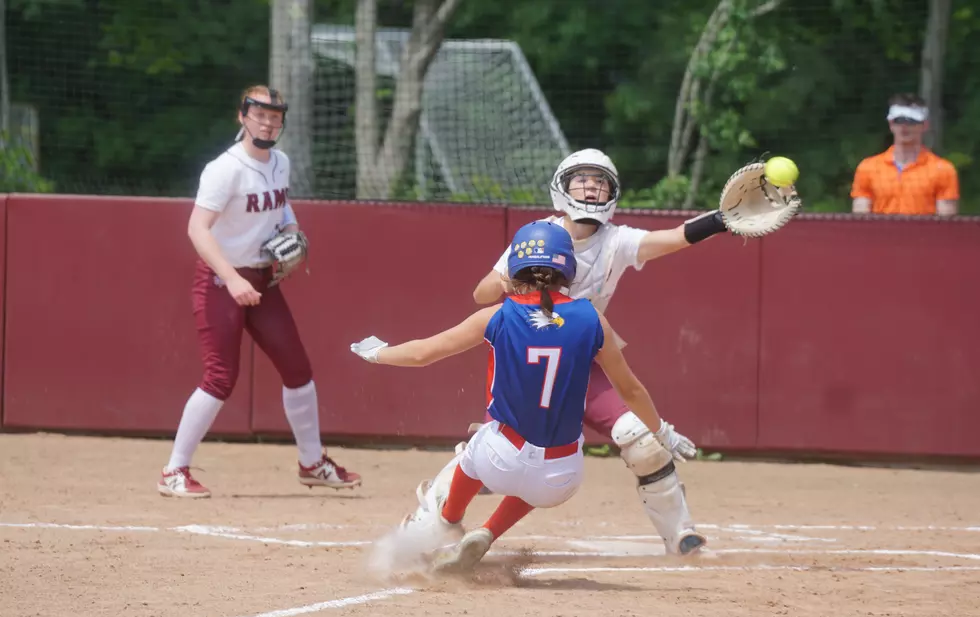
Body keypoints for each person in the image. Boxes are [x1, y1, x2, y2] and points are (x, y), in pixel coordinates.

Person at [401, 148, 733, 557]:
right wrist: (514, 271)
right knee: (494, 450)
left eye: (601, 181)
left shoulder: (616, 241)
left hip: (577, 361)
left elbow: (673, 238)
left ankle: (681, 535)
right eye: (583, 179)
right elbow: (480, 295)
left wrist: (720, 220)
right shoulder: (538, 234)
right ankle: (427, 525)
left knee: (640, 441)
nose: (592, 187)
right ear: (562, 187)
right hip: (526, 359)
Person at [351, 220, 684, 572]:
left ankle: (448, 520)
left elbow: (423, 354)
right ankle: (489, 531)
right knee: (540, 474)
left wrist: (378, 353)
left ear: (515, 268)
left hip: (500, 460)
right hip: (562, 477)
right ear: (567, 268)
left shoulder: (497, 315)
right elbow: (631, 389)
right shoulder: (592, 319)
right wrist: (660, 431)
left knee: (477, 446)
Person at [157, 85, 361, 498]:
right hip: (220, 281)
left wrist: (291, 229)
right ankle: (174, 471)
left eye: (275, 116)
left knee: (298, 370)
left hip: (261, 282)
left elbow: (280, 204)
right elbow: (197, 229)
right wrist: (231, 278)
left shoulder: (280, 162)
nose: (267, 122)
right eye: (260, 114)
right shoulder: (225, 169)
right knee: (220, 377)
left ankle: (312, 462)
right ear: (242, 117)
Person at [851, 92, 959, 216]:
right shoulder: (868, 168)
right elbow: (860, 221)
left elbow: (946, 225)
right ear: (891, 124)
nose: (904, 126)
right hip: (880, 235)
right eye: (899, 120)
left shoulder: (943, 170)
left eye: (912, 121)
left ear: (924, 125)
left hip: (924, 235)